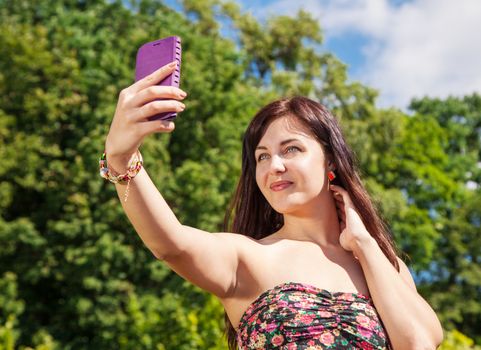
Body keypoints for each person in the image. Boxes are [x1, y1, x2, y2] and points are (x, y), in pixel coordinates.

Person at [102, 61, 444, 349]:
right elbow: (169, 243)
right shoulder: (247, 257)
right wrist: (121, 159)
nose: (273, 166)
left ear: (331, 163)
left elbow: (419, 343)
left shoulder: (385, 263)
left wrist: (365, 245)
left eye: (291, 149)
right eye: (262, 157)